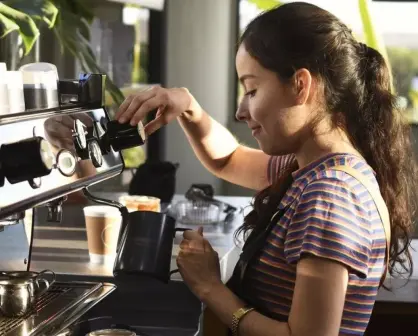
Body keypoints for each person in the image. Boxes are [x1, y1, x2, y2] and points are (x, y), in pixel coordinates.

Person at [115, 2, 418, 335]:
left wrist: (209, 287)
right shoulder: (313, 169)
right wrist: (189, 108)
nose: (242, 110)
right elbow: (228, 158)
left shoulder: (329, 195)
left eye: (252, 90)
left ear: (301, 85)